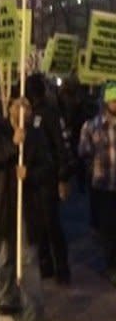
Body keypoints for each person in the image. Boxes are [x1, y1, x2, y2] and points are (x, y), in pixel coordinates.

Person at [0, 97, 52, 321]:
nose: (24, 109)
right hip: (3, 203)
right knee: (6, 256)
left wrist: (29, 173)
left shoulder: (37, 135)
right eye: (19, 104)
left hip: (27, 206)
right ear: (10, 107)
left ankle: (35, 314)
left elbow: (47, 166)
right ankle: (8, 298)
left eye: (28, 106)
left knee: (28, 259)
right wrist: (12, 144)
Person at [26, 73, 72, 284]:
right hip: (33, 178)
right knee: (39, 225)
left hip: (47, 177)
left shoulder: (50, 113)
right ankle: (46, 266)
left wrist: (62, 176)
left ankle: (62, 268)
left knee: (52, 224)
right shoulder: (29, 113)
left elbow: (61, 146)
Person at [78, 82, 116, 287]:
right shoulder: (91, 126)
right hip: (102, 185)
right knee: (107, 228)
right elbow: (83, 152)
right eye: (112, 99)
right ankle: (111, 265)